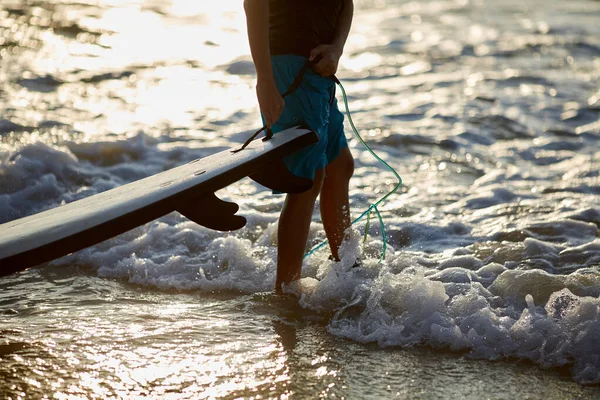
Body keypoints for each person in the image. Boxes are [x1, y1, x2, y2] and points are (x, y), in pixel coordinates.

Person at [244, 0, 355, 293]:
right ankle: (287, 290)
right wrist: (264, 80)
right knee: (308, 178)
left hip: (320, 68)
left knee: (340, 164)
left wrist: (337, 48)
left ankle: (346, 268)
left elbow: (346, 4)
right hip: (286, 66)